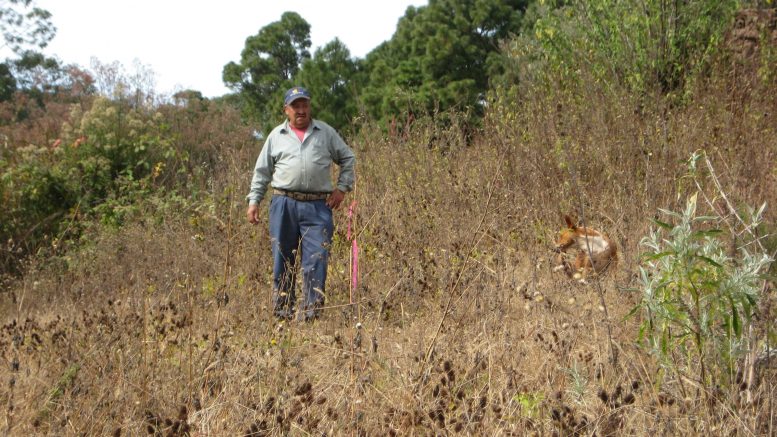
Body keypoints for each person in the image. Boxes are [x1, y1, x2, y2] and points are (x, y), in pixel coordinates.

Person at [246, 86, 356, 322]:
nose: (301, 110)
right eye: (296, 106)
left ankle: (310, 314)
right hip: (283, 204)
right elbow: (262, 171)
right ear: (286, 110)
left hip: (318, 206)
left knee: (316, 259)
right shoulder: (276, 136)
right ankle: (282, 312)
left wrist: (342, 189)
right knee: (282, 258)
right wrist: (254, 201)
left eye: (305, 105)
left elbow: (348, 158)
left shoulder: (325, 133)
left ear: (310, 107)